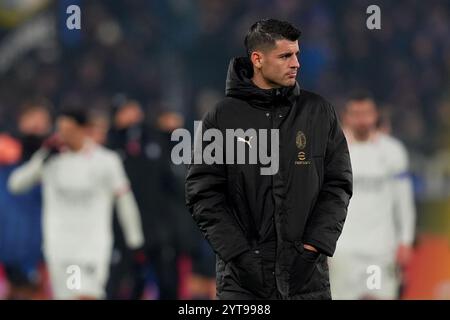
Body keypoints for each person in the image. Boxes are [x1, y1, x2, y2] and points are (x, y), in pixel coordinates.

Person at [185, 18, 353, 300]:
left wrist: (313, 246)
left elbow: (338, 185)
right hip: (241, 283)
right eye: (286, 55)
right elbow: (203, 194)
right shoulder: (222, 118)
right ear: (257, 59)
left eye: (297, 54)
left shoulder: (319, 112)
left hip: (307, 280)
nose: (296, 63)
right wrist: (240, 255)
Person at [7, 105, 145, 299]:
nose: (64, 135)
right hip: (60, 248)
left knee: (83, 294)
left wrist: (135, 241)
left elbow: (125, 201)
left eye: (69, 130)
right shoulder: (51, 159)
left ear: (83, 130)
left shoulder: (105, 161)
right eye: (61, 130)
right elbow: (15, 185)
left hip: (90, 248)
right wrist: (41, 160)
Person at [329, 93, 416, 300]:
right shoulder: (331, 150)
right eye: (355, 114)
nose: (361, 119)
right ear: (346, 116)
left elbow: (403, 201)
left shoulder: (392, 151)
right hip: (343, 251)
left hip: (380, 251)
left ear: (375, 115)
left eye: (366, 113)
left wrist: (406, 240)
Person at [0, 100, 52, 299]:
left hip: (49, 248)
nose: (37, 128)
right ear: (20, 122)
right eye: (32, 122)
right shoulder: (7, 156)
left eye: (42, 123)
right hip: (12, 246)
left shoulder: (57, 158)